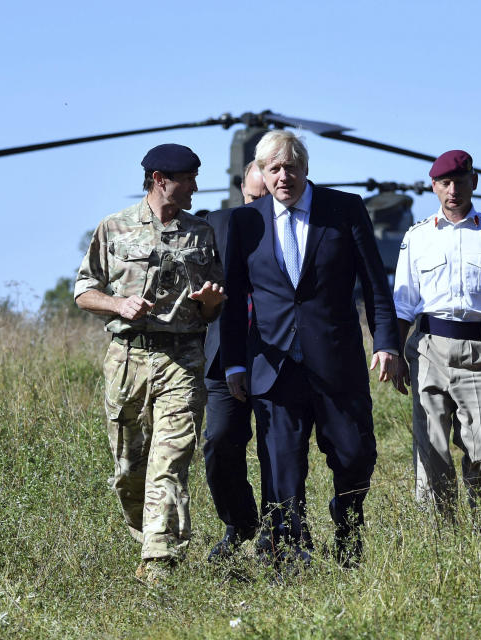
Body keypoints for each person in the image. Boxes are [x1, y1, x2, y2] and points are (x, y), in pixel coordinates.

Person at [220, 130, 405, 567]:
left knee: (355, 454)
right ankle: (288, 551)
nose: (283, 176)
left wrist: (386, 342)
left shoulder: (344, 210)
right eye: (273, 169)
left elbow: (377, 284)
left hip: (337, 359)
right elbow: (232, 303)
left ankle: (348, 518)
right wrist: (232, 364)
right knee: (281, 465)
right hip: (273, 366)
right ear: (261, 174)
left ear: (305, 168)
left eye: (290, 167)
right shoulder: (246, 223)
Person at [74, 143, 226, 584]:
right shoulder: (114, 227)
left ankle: (160, 563)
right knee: (129, 470)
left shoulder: (202, 233)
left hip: (182, 359)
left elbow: (212, 309)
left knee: (171, 461)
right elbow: (84, 291)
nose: (195, 187)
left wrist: (211, 305)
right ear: (160, 180)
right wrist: (118, 304)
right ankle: (148, 540)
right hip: (127, 360)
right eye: (188, 179)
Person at [393, 150, 481, 518]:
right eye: (444, 183)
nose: (453, 190)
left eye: (460, 181)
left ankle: (480, 512)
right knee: (431, 448)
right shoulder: (417, 237)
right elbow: (403, 303)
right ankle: (442, 532)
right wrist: (395, 353)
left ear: (474, 182)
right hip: (428, 348)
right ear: (434, 187)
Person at [202, 161, 273, 561]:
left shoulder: (289, 231)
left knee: (275, 447)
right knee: (219, 443)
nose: (256, 207)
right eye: (251, 197)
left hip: (273, 354)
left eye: (264, 200)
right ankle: (240, 521)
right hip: (221, 356)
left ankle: (276, 529)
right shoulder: (216, 224)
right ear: (240, 191)